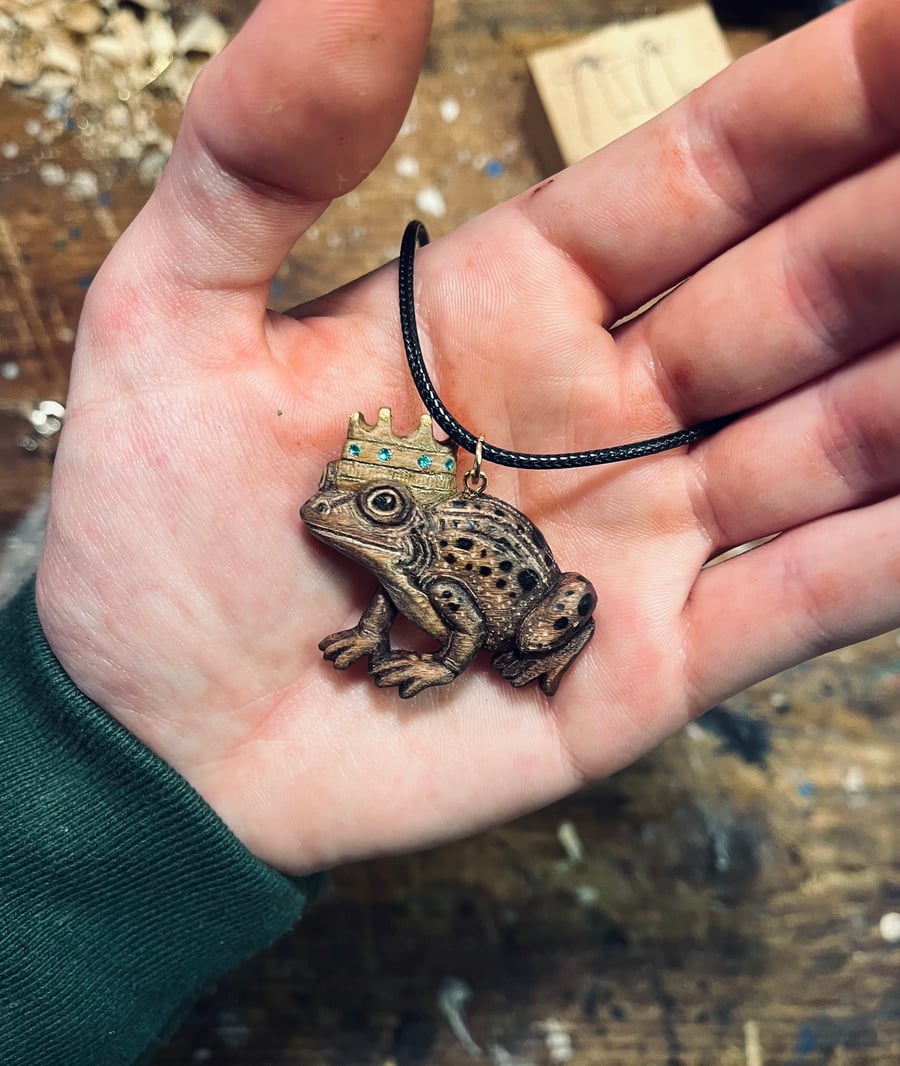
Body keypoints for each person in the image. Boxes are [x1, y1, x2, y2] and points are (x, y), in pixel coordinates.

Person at [1, 0, 897, 1061]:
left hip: (518, 602)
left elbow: (465, 626)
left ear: (408, 519)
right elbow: (404, 592)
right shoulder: (405, 564)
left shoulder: (441, 572)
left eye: (376, 508)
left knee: (534, 627)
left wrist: (435, 668)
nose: (345, 520)